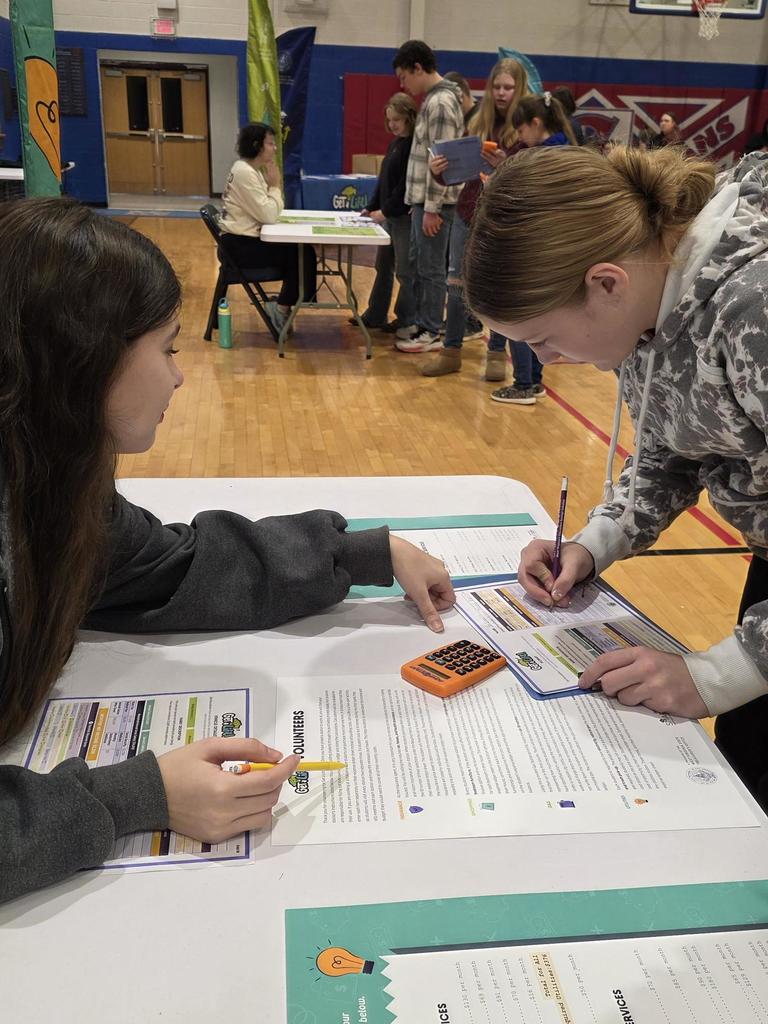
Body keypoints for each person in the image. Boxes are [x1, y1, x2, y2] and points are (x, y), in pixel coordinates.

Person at [0, 197, 454, 903]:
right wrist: (133, 797)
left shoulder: (50, 484)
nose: (179, 377)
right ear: (85, 356)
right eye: (168, 348)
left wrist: (362, 553)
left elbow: (175, 566)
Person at [465, 143, 768, 807]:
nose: (544, 360)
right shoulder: (649, 298)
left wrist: (716, 676)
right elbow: (672, 448)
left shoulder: (754, 309)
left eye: (544, 340)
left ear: (606, 284)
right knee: (747, 771)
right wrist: (594, 542)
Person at [416, 58, 530, 375]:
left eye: (508, 87)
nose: (502, 92)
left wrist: (506, 162)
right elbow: (459, 175)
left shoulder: (525, 126)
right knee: (456, 284)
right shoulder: (477, 120)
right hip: (468, 211)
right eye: (497, 86)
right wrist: (440, 172)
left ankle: (496, 355)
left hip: (503, 217)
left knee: (495, 288)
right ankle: (450, 352)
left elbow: (529, 174)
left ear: (519, 89)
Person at [486, 92, 576, 405]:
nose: (520, 138)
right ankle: (533, 382)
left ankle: (524, 383)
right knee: (538, 321)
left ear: (536, 123)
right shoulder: (565, 149)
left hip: (533, 247)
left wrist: (497, 183)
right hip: (554, 249)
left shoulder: (541, 157)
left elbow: (528, 201)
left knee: (519, 320)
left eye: (521, 131)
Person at [391, 40, 465, 352]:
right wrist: (416, 200)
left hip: (436, 204)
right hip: (423, 201)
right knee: (422, 265)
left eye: (404, 77)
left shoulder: (440, 104)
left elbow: (441, 163)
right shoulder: (433, 101)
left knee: (433, 268)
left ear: (418, 68)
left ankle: (431, 330)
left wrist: (432, 206)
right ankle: (423, 322)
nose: (403, 85)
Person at [220, 122, 317, 336]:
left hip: (242, 241)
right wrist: (275, 186)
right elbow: (269, 214)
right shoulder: (245, 172)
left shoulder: (249, 170)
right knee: (301, 254)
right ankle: (282, 309)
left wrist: (272, 190)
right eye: (270, 143)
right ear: (256, 145)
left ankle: (286, 305)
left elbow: (269, 210)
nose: (274, 148)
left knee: (302, 250)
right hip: (238, 247)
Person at [351, 93, 417, 334]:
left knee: (405, 271)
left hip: (403, 218)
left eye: (396, 119)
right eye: (389, 120)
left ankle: (406, 317)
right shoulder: (395, 143)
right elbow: (384, 182)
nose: (392, 124)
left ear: (409, 117)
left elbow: (404, 186)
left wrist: (385, 211)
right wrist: (371, 205)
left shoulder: (413, 146)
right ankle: (376, 313)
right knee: (383, 265)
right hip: (390, 217)